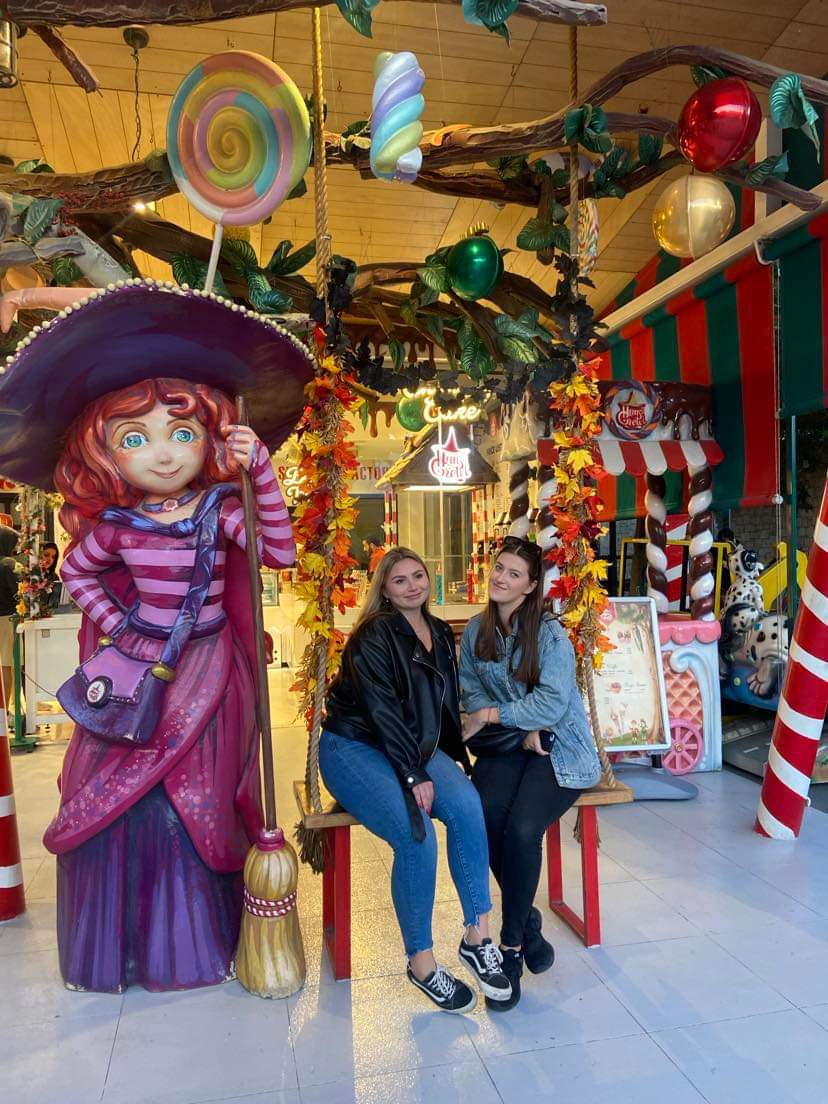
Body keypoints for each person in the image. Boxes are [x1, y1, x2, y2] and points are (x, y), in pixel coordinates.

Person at [0, 281, 313, 993]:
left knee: (196, 796)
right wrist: (119, 625)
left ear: (211, 436)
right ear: (103, 452)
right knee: (104, 794)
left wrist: (259, 471)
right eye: (135, 439)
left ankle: (196, 939)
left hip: (208, 670)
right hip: (138, 667)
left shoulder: (216, 510)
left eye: (183, 432)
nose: (164, 454)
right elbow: (77, 572)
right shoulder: (117, 526)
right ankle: (113, 945)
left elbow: (278, 551)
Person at [322, 547, 511, 1013]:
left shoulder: (441, 632)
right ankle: (422, 964)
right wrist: (413, 774)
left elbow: (440, 707)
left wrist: (455, 758)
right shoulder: (373, 636)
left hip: (411, 745)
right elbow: (382, 711)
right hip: (355, 747)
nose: (412, 586)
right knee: (416, 835)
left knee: (467, 805)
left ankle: (478, 936)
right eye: (400, 580)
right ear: (385, 590)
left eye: (418, 576)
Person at [460, 535, 601, 1010]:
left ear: (530, 585)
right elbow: (470, 692)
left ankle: (512, 947)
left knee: (522, 830)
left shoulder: (550, 634)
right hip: (511, 747)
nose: (501, 578)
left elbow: (552, 704)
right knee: (482, 818)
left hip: (558, 748)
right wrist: (513, 728)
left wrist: (494, 716)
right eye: (499, 568)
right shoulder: (476, 630)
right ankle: (531, 926)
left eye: (514, 573)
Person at [0, 526, 19, 715]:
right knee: (7, 665)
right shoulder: (9, 564)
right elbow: (18, 592)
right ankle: (4, 709)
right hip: (7, 618)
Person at [39, 541, 61, 610]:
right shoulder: (28, 574)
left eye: (53, 557)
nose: (50, 559)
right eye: (46, 555)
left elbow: (56, 602)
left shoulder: (54, 577)